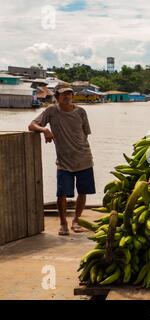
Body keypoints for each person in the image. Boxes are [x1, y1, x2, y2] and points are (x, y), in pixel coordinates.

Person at [28, 83, 95, 236]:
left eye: (69, 94)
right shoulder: (51, 111)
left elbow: (85, 133)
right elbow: (31, 125)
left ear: (72, 96)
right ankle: (63, 223)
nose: (67, 96)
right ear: (57, 96)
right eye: (63, 94)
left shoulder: (81, 112)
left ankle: (76, 220)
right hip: (64, 161)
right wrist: (45, 129)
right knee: (62, 193)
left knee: (83, 192)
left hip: (84, 157)